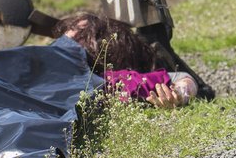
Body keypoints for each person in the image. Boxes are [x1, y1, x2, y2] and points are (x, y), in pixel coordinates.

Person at [53, 12, 198, 109]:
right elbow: (183, 80)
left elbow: (183, 80)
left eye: (84, 33)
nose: (69, 35)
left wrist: (178, 93)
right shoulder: (102, 83)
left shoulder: (104, 82)